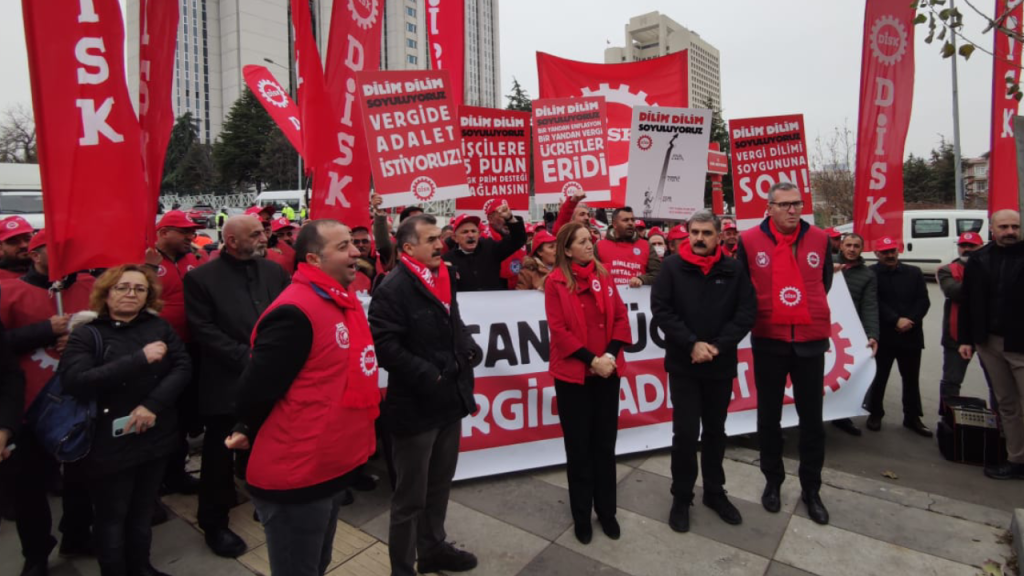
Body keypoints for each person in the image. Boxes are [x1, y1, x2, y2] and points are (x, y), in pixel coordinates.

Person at [224, 220, 380, 576]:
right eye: (343, 247)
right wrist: (246, 426)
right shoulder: (295, 311)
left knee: (316, 563)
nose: (356, 251)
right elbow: (253, 390)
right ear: (313, 258)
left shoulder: (340, 301)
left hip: (326, 465)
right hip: (297, 474)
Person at [60, 264, 191, 576]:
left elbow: (182, 366)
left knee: (143, 510)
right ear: (106, 294)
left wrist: (152, 405)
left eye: (139, 288)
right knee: (112, 515)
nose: (131, 294)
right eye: (122, 287)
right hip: (109, 442)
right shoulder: (88, 334)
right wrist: (138, 359)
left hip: (154, 433)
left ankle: (142, 566)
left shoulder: (158, 327)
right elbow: (75, 380)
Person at [369, 215, 479, 576]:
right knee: (409, 499)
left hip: (449, 402)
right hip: (416, 408)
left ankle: (432, 548)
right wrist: (429, 374)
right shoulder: (392, 288)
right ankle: (402, 568)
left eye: (439, 238)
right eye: (431, 239)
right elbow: (385, 347)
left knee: (439, 485)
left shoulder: (444, 276)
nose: (439, 245)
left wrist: (468, 347)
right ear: (407, 248)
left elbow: (454, 320)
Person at [184, 215, 291, 558]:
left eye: (263, 232)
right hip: (226, 383)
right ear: (231, 241)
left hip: (271, 380)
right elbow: (203, 329)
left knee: (269, 448)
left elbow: (289, 313)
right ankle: (213, 522)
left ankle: (268, 503)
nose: (265, 237)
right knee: (218, 460)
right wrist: (248, 357)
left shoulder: (275, 271)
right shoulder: (201, 279)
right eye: (256, 234)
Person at [651, 211, 756, 534]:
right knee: (684, 434)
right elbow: (662, 310)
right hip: (684, 365)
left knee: (715, 431)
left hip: (719, 365)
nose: (699, 238)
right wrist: (692, 344)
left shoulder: (734, 268)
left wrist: (718, 346)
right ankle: (681, 497)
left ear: (719, 236)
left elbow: (746, 312)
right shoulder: (671, 267)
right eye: (694, 232)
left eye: (706, 233)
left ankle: (714, 491)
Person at [735, 182, 832, 525]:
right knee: (769, 417)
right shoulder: (749, 241)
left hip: (809, 340)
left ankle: (811, 489)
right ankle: (772, 481)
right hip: (770, 340)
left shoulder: (820, 238)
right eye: (785, 205)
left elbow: (824, 281)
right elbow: (743, 286)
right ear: (769, 208)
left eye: (798, 204)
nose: (793, 210)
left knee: (812, 421)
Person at [1, 230, 96, 574]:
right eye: (50, 251)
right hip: (29, 406)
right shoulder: (7, 291)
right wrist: (45, 331)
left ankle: (78, 532)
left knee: (82, 477)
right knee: (30, 489)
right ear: (34, 256)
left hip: (81, 400)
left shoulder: (88, 286)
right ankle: (36, 554)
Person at [545, 221, 631, 544]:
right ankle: (582, 515)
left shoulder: (605, 275)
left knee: (605, 447)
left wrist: (608, 356)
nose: (589, 244)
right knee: (579, 449)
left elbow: (620, 317)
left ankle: (607, 512)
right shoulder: (555, 283)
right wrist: (591, 360)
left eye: (590, 239)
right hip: (574, 378)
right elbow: (559, 331)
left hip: (607, 373)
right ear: (567, 250)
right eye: (582, 241)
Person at [144, 211, 208, 494]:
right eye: (184, 232)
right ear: (163, 232)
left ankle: (176, 472)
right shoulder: (144, 262)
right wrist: (146, 268)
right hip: (158, 354)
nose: (190, 237)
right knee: (161, 416)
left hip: (193, 347)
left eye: (192, 232)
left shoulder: (196, 258)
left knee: (184, 413)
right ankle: (154, 479)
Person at [959, 209, 1024, 480]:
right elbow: (968, 301)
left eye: (1015, 227)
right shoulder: (979, 260)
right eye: (1004, 227)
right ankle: (1017, 459)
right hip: (990, 343)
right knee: (1007, 404)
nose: (1010, 232)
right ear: (993, 230)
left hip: (1020, 343)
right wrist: (966, 338)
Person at [865, 236, 932, 437]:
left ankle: (912, 417)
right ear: (877, 254)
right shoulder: (871, 274)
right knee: (879, 377)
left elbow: (923, 301)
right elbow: (873, 302)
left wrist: (910, 320)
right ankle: (875, 413)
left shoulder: (914, 272)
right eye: (885, 252)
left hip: (911, 335)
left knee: (911, 379)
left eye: (892, 251)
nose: (890, 255)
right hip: (884, 336)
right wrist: (895, 320)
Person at [829, 233, 879, 437]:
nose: (851, 249)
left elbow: (869, 306)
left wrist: (872, 334)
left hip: (845, 333)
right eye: (848, 245)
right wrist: (827, 271)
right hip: (820, 326)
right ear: (841, 247)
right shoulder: (826, 263)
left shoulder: (867, 275)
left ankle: (841, 416)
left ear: (861, 249)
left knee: (841, 377)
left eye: (856, 246)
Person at [936, 232, 985, 412]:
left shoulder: (990, 267)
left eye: (972, 246)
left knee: (997, 384)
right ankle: (948, 419)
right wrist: (981, 280)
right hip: (956, 335)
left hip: (987, 334)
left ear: (981, 247)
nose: (967, 249)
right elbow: (954, 292)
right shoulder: (947, 270)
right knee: (952, 381)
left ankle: (1000, 423)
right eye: (963, 245)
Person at [442, 206, 527, 292]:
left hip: (494, 303)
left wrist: (510, 218)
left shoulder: (490, 248)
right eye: (465, 232)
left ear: (479, 234)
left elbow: (518, 239)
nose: (470, 235)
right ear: (455, 238)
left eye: (473, 231)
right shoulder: (447, 260)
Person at [595, 206, 661, 287]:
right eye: (625, 220)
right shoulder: (599, 246)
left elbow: (658, 274)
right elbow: (593, 275)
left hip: (638, 298)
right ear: (614, 224)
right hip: (609, 297)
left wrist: (642, 279)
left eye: (632, 220)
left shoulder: (646, 245)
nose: (630, 223)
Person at [481, 199, 528, 290]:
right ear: (491, 219)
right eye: (503, 215)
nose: (507, 219)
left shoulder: (520, 238)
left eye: (509, 215)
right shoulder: (482, 240)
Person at [0, 216, 34, 280]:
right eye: (13, 242)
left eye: (27, 239)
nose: (23, 245)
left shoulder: (49, 271)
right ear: (1, 247)